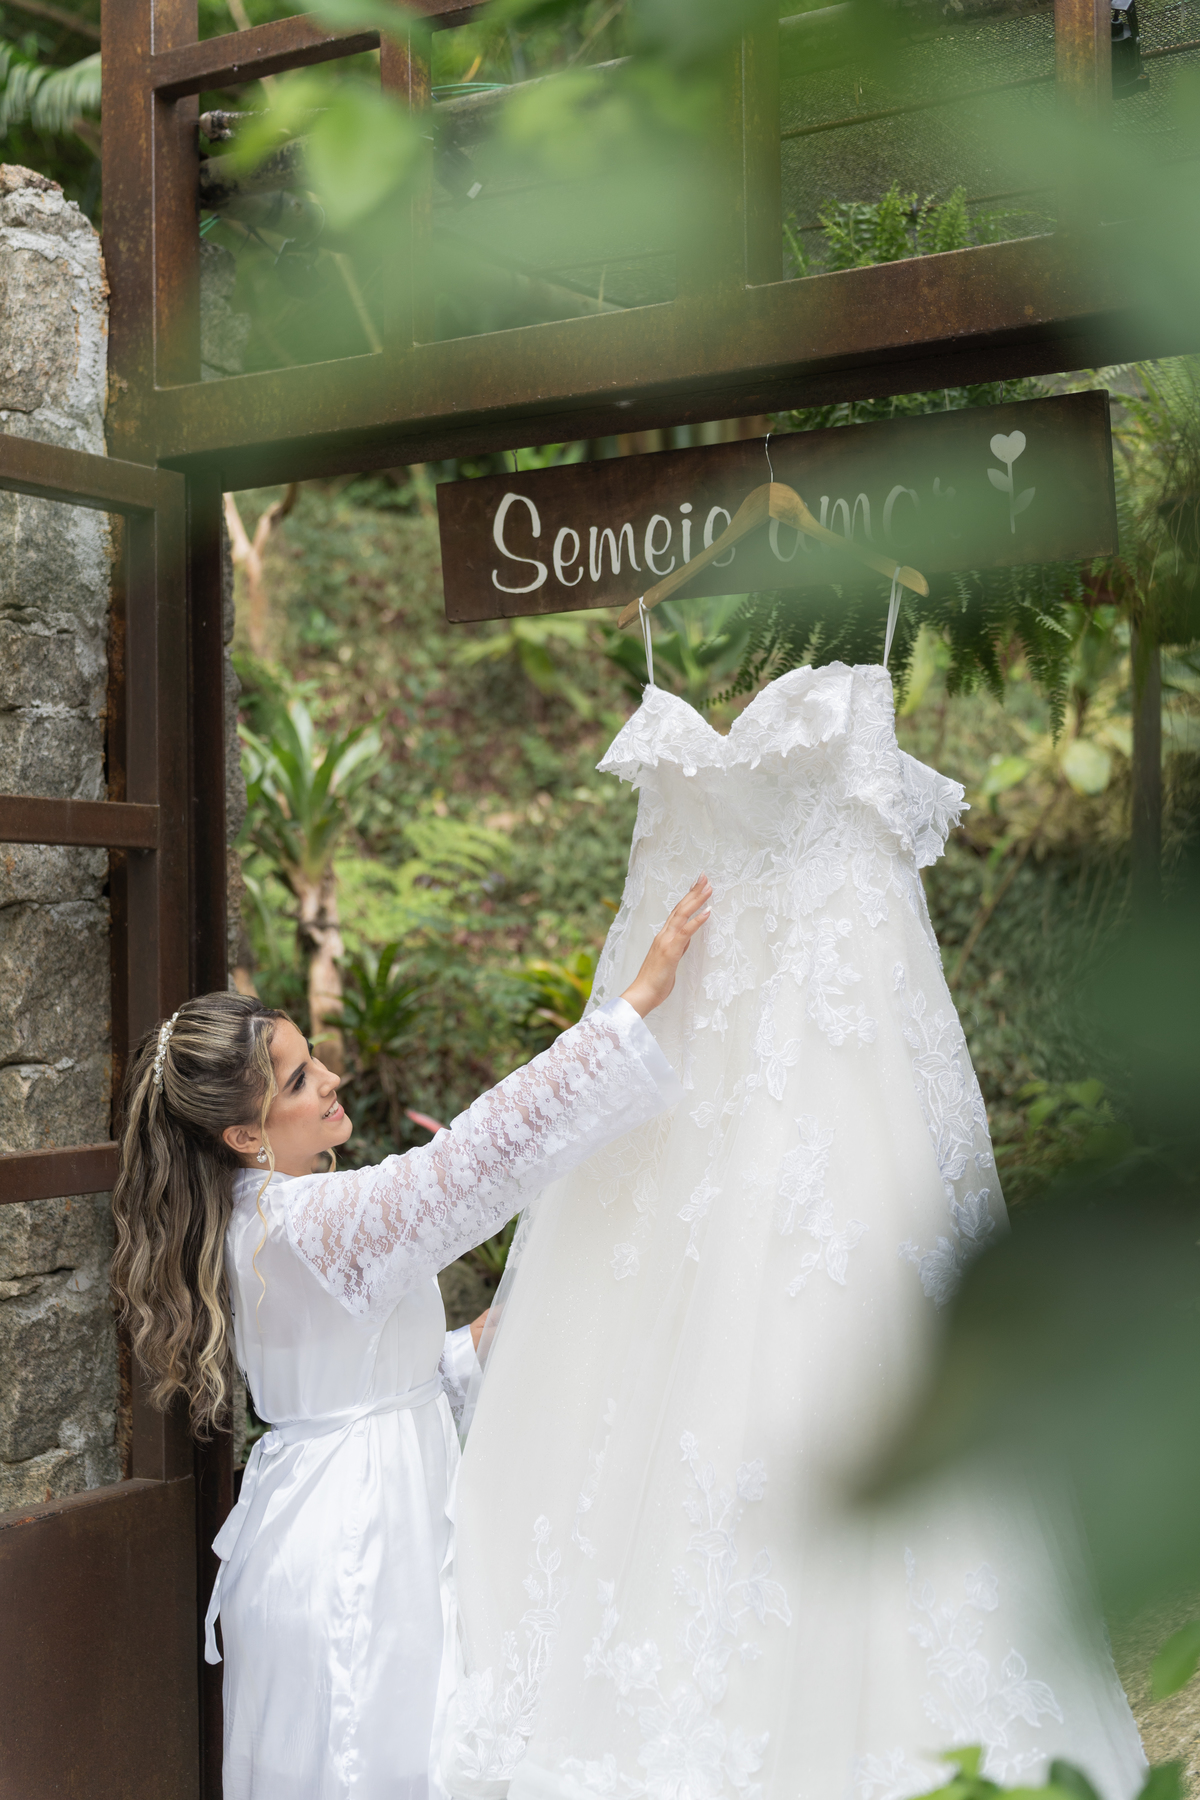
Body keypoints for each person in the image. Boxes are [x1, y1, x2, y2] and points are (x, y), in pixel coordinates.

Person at [109, 875, 711, 1800]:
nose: (330, 1079)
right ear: (241, 1135)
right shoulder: (311, 1222)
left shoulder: (248, 1216)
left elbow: (356, 1379)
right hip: (361, 1538)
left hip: (325, 1514)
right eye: (298, 1081)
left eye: (312, 1060)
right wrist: (631, 1010)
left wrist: (480, 1343)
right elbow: (467, 1168)